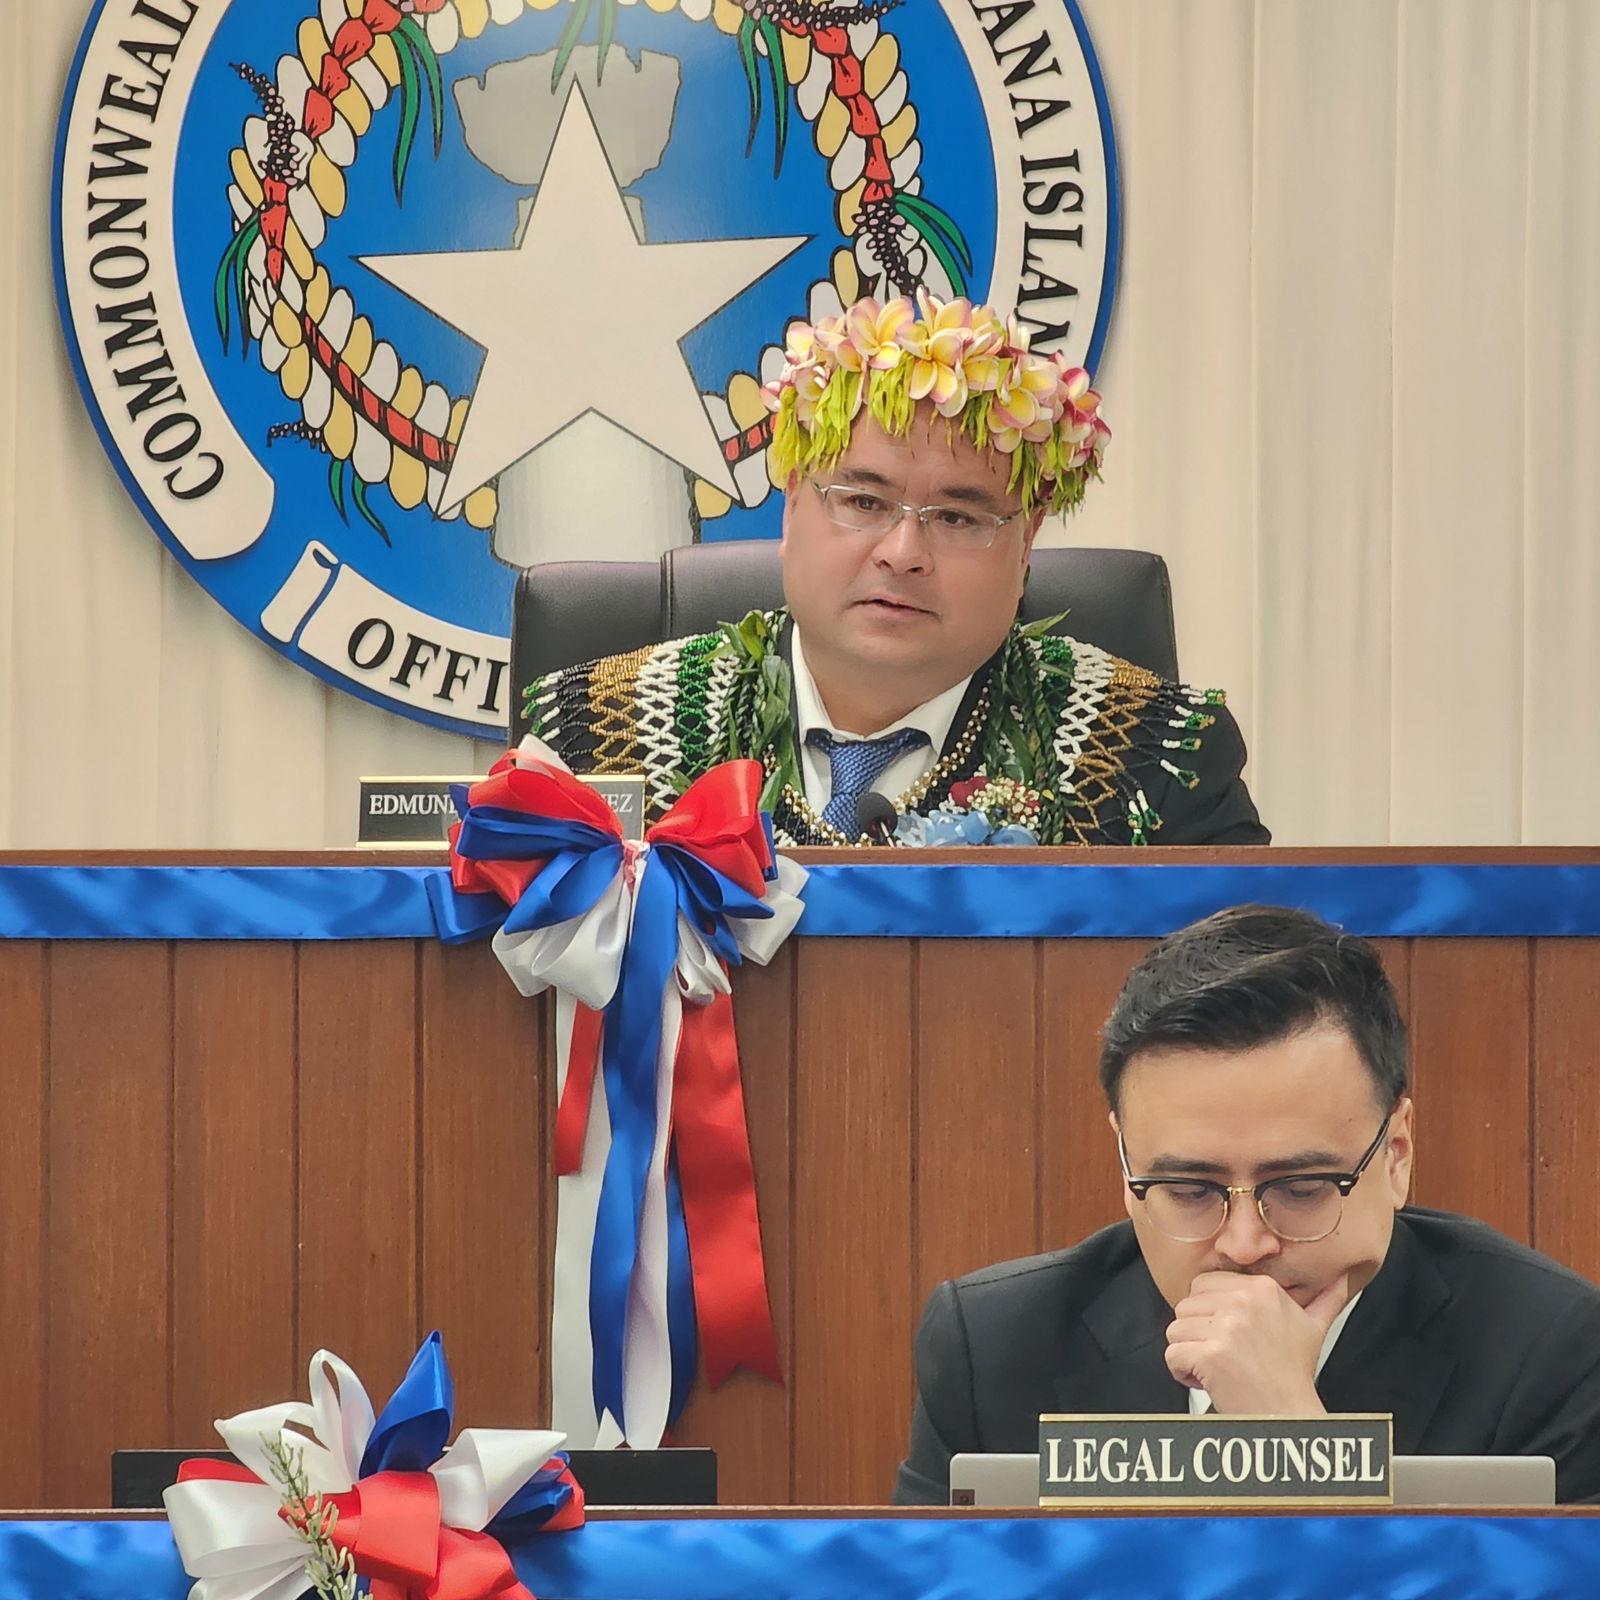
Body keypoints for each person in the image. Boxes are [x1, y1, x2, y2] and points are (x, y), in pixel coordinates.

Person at [894, 904, 1600, 1504]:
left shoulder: (1549, 1350)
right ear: (1125, 1162)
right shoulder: (992, 1345)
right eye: (1190, 1191)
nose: (1242, 1244)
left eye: (1299, 1188)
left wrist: (1294, 1439)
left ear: (1396, 1155)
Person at [522, 292, 1268, 846]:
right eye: (863, 501)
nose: (903, 554)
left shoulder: (1156, 756)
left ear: (1026, 543)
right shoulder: (596, 737)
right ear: (790, 509)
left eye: (958, 518)